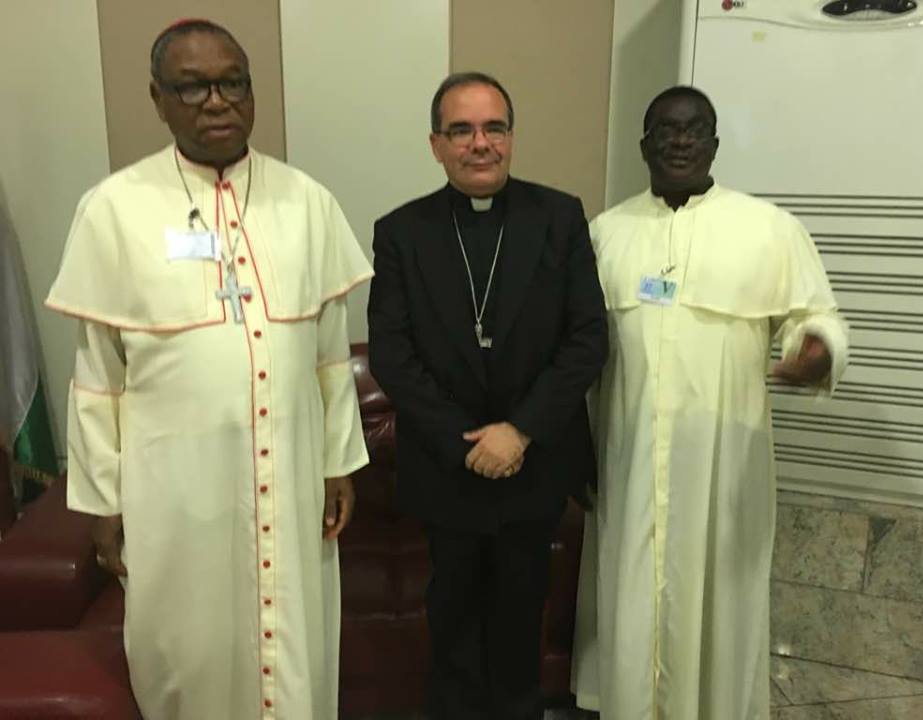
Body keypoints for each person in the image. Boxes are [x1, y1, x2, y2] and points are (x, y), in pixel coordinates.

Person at [46, 19, 372, 719]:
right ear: (158, 99)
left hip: (290, 477)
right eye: (192, 87)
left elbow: (328, 354)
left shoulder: (306, 201)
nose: (217, 101)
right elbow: (98, 378)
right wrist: (102, 501)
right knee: (187, 650)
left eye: (233, 83)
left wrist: (337, 462)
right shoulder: (114, 209)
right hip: (175, 494)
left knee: (296, 643)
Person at [571, 85, 848, 719]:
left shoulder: (770, 230)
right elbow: (573, 352)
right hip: (628, 465)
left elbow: (818, 316)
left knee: (721, 609)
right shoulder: (605, 235)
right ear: (644, 145)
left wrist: (816, 351)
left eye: (694, 129)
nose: (680, 140)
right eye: (666, 130)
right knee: (631, 606)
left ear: (715, 144)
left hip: (723, 474)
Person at [367, 72, 607, 720]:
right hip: (447, 468)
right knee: (451, 611)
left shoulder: (559, 217)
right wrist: (465, 441)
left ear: (511, 137)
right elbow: (392, 352)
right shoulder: (401, 231)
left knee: (522, 610)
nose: (480, 143)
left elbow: (587, 338)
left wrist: (519, 431)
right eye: (462, 130)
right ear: (436, 145)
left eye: (494, 128)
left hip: (534, 462)